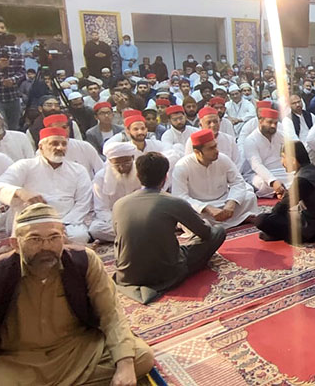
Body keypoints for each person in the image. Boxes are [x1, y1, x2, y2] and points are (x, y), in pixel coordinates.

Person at [0, 203, 155, 385]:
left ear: (64, 238)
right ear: (15, 244)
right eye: (35, 239)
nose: (46, 247)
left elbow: (112, 315)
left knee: (140, 357)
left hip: (78, 353)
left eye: (54, 237)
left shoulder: (84, 261)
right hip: (16, 364)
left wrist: (125, 363)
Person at [112, 152, 226, 304]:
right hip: (167, 273)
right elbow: (205, 233)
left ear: (138, 176)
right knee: (218, 231)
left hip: (127, 274)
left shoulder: (119, 204)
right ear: (165, 177)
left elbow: (119, 239)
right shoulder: (173, 202)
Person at [0, 127, 93, 242]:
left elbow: (83, 202)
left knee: (79, 236)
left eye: (64, 144)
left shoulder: (78, 169)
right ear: (41, 147)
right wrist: (21, 192)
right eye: (54, 143)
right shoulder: (25, 165)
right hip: (32, 219)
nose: (60, 147)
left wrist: (63, 223)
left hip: (67, 220)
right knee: (31, 239)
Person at [172, 128, 258, 229]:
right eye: (211, 148)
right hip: (201, 208)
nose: (216, 151)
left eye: (215, 146)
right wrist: (206, 208)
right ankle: (240, 219)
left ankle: (218, 223)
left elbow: (238, 182)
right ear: (197, 152)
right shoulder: (182, 166)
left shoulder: (223, 159)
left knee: (250, 196)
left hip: (223, 202)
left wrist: (231, 202)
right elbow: (180, 196)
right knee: (185, 212)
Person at [254, 141, 315, 244]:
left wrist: (271, 220)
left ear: (292, 160)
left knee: (261, 220)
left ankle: (280, 234)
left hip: (312, 230)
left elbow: (281, 208)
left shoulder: (303, 179)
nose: (282, 162)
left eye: (283, 157)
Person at [88, 142, 142, 243]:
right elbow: (102, 209)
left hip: (138, 215)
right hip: (114, 219)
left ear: (133, 158)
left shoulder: (141, 172)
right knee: (95, 229)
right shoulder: (101, 178)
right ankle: (139, 236)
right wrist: (119, 222)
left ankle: (127, 237)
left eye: (126, 163)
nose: (122, 167)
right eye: (117, 164)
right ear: (109, 162)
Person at [240, 108, 290, 197]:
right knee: (261, 183)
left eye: (275, 123)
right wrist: (273, 181)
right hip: (257, 174)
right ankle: (283, 191)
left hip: (281, 171)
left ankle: (281, 192)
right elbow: (257, 165)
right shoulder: (250, 140)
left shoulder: (281, 136)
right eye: (270, 122)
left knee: (297, 177)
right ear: (260, 121)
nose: (273, 126)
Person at [42, 113, 103, 179]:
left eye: (64, 127)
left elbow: (101, 170)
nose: (62, 131)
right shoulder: (43, 152)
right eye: (57, 128)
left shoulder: (85, 146)